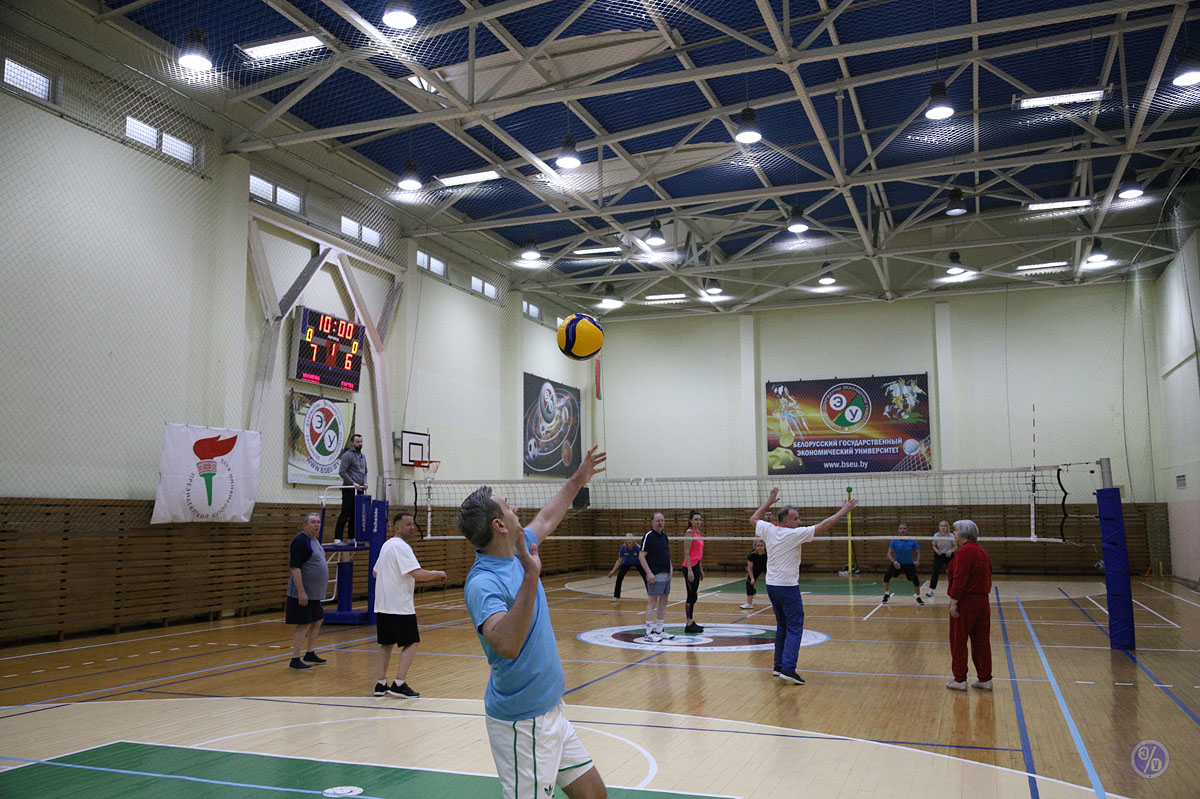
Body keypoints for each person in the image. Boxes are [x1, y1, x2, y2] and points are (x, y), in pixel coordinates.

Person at [459, 446, 608, 799]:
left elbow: (547, 517)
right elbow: (506, 644)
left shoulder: (520, 547)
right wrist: (530, 576)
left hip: (552, 710)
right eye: (508, 506)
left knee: (594, 795)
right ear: (498, 525)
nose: (515, 509)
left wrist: (579, 478)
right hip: (522, 725)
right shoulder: (483, 583)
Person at [751, 488, 857, 684]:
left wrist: (769, 501)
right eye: (796, 518)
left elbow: (753, 519)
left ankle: (778, 666)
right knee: (794, 627)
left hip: (772, 586)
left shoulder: (769, 530)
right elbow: (824, 526)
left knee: (783, 626)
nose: (799, 521)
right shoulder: (794, 534)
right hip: (787, 586)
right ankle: (788, 668)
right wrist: (843, 511)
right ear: (785, 522)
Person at [372, 511, 447, 698]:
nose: (412, 528)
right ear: (397, 528)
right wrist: (438, 573)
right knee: (412, 642)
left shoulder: (386, 545)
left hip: (383, 605)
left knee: (386, 644)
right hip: (399, 606)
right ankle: (399, 683)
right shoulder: (401, 547)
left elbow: (375, 573)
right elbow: (417, 574)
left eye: (413, 524)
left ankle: (381, 684)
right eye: (408, 525)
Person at [946, 519, 993, 691]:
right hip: (983, 602)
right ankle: (985, 679)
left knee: (958, 640)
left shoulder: (963, 553)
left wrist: (954, 601)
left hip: (966, 602)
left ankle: (959, 680)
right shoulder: (981, 552)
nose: (953, 534)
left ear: (963, 534)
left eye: (955, 531)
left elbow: (960, 578)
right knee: (982, 641)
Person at [286, 512, 329, 670]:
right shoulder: (300, 541)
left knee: (317, 619)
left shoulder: (315, 541)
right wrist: (301, 592)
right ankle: (295, 658)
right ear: (305, 525)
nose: (316, 525)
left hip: (314, 594)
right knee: (303, 624)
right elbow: (295, 568)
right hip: (303, 593)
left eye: (318, 522)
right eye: (312, 522)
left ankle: (310, 652)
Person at [638, 513, 674, 642]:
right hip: (655, 574)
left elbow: (666, 554)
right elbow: (641, 556)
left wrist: (670, 568)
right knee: (652, 602)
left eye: (662, 520)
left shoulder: (664, 536)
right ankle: (648, 632)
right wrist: (649, 573)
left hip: (665, 574)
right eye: (658, 520)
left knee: (663, 602)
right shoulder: (649, 536)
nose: (660, 523)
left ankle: (659, 630)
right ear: (652, 522)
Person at [334, 433, 367, 544]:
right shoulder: (347, 455)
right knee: (345, 513)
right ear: (352, 443)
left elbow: (365, 472)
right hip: (349, 489)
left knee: (355, 514)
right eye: (357, 442)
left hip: (360, 490)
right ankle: (337, 539)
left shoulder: (363, 457)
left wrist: (365, 482)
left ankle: (351, 538)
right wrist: (352, 483)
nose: (359, 444)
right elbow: (342, 472)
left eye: (361, 442)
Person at [882, 523, 924, 606]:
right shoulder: (895, 540)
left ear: (907, 530)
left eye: (904, 528)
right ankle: (886, 594)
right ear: (898, 530)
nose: (902, 530)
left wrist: (917, 560)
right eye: (901, 528)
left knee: (915, 579)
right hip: (897, 563)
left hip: (909, 563)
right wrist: (894, 562)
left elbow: (918, 552)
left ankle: (918, 597)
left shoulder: (912, 540)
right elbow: (889, 554)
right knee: (886, 576)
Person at [680, 510, 705, 634]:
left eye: (699, 519)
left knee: (694, 595)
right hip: (689, 567)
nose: (698, 522)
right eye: (695, 519)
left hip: (696, 566)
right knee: (691, 595)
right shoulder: (689, 533)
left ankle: (691, 621)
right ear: (690, 521)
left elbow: (698, 554)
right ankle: (688, 623)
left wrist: (700, 570)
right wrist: (690, 570)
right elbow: (686, 553)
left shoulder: (698, 533)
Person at [606, 533, 647, 600]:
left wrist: (647, 569)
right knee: (619, 577)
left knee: (646, 578)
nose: (629, 541)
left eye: (630, 539)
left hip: (638, 563)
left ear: (633, 540)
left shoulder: (638, 548)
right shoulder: (623, 548)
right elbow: (619, 561)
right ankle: (616, 596)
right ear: (625, 540)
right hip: (627, 563)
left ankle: (651, 595)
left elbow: (643, 558)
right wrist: (613, 571)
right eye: (627, 539)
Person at [926, 520, 956, 597]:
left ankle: (953, 589)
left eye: (944, 526)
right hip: (939, 555)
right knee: (935, 572)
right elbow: (934, 546)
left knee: (952, 572)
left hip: (949, 555)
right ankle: (931, 590)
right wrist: (937, 551)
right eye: (941, 526)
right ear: (939, 527)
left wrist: (951, 551)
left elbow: (955, 546)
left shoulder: (951, 536)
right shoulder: (936, 535)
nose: (943, 527)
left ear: (947, 527)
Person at [741, 538, 768, 610]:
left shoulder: (768, 554)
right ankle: (749, 604)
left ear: (764, 546)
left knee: (774, 584)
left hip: (768, 568)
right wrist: (752, 578)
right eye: (758, 545)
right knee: (749, 582)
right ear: (755, 547)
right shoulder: (752, 555)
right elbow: (749, 568)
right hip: (756, 568)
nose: (760, 547)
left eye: (761, 545)